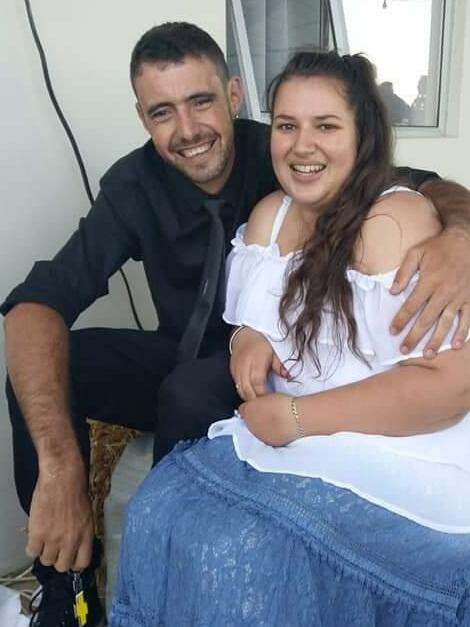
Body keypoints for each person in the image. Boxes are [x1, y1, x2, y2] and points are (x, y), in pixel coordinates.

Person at [2, 22, 470, 626]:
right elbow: (37, 302)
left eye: (201, 101)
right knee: (53, 364)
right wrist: (61, 465)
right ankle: (66, 588)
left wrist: (462, 235)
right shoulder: (134, 185)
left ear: (233, 94)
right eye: (163, 112)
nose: (188, 129)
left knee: (189, 396)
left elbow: (419, 186)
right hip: (207, 351)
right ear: (143, 117)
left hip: (276, 377)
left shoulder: (288, 158)